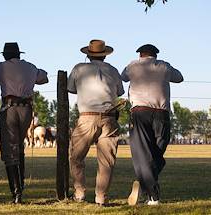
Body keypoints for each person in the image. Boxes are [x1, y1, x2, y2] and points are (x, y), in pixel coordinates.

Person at [122, 44, 183, 206]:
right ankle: (150, 190)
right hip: (161, 113)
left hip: (140, 112)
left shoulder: (132, 65)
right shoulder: (164, 65)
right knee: (157, 152)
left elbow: (123, 77)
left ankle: (147, 188)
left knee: (143, 153)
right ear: (155, 55)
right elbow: (179, 77)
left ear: (140, 55)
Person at [68, 39, 124, 206]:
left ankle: (79, 193)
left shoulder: (79, 68)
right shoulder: (113, 70)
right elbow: (119, 91)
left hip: (87, 117)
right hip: (109, 117)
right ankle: (101, 197)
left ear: (88, 54)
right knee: (106, 161)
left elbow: (70, 88)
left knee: (76, 157)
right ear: (105, 56)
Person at [0, 42, 48, 203]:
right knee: (19, 146)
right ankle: (21, 187)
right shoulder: (31, 67)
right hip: (26, 109)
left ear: (5, 55)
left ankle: (16, 192)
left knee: (10, 149)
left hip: (9, 108)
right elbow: (44, 78)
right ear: (19, 54)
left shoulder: (1, 66)